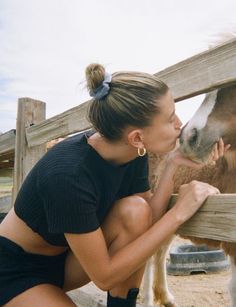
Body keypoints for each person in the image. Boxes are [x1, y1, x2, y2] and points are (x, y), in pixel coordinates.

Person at [0, 63, 229, 307]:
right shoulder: (68, 175)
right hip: (15, 271)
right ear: (137, 137)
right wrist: (178, 213)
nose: (179, 123)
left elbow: (145, 220)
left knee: (136, 210)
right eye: (170, 118)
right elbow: (104, 277)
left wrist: (172, 164)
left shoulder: (132, 153)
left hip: (67, 262)